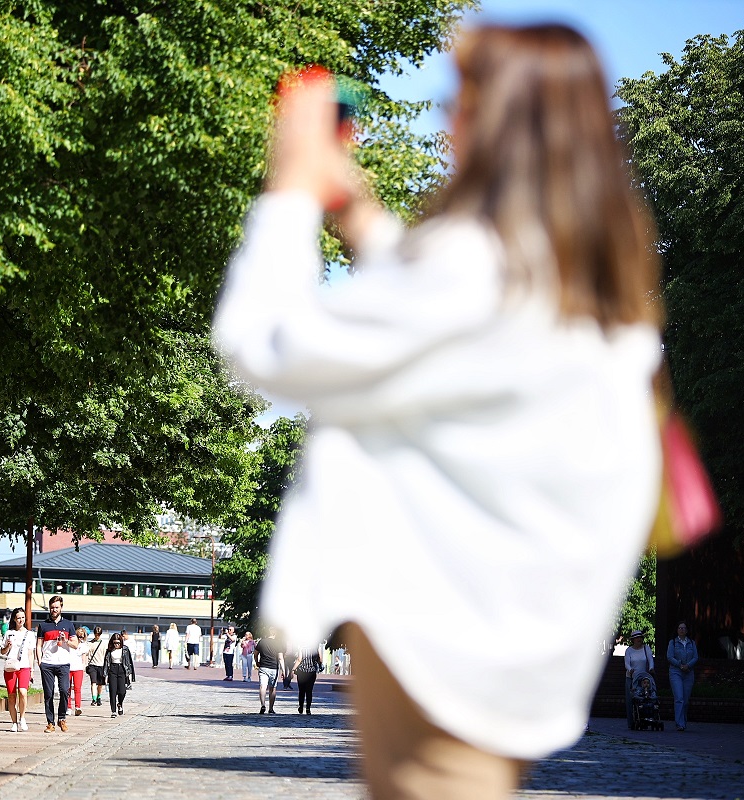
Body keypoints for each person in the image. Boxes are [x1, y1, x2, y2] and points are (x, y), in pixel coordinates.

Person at [212, 22, 664, 800]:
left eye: (463, 100)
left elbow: (261, 344)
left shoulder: (471, 265)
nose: (444, 119)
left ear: (506, 121)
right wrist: (357, 216)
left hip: (439, 648)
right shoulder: (578, 276)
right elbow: (448, 322)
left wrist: (287, 192)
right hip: (505, 649)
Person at [34, 595, 78, 733]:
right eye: (52, 607)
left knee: (65, 690)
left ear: (61, 608)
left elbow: (76, 644)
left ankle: (62, 718)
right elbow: (39, 645)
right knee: (49, 693)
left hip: (63, 663)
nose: (54, 610)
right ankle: (50, 722)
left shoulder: (68, 625)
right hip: (47, 663)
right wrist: (40, 661)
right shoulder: (43, 625)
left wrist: (66, 641)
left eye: (57, 607)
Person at [1, 607, 34, 732]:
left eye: (22, 618)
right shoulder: (9, 633)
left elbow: (31, 653)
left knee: (23, 692)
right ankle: (14, 722)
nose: (21, 620)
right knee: (11, 695)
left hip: (24, 666)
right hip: (10, 667)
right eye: (18, 618)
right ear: (14, 619)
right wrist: (7, 646)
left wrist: (32, 670)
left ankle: (23, 717)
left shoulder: (30, 634)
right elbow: (2, 652)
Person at [667, 622, 699, 731]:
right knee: (679, 698)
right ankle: (679, 723)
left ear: (687, 630)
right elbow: (670, 657)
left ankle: (683, 721)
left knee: (685, 700)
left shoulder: (691, 643)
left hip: (689, 673)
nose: (681, 630)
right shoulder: (673, 642)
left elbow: (695, 657)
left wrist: (688, 665)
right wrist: (680, 665)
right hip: (676, 672)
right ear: (677, 630)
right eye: (680, 628)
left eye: (684, 628)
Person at [623, 631, 654, 729]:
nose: (639, 640)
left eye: (640, 637)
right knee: (630, 699)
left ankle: (644, 719)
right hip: (631, 677)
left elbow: (650, 659)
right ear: (633, 640)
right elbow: (626, 663)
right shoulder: (629, 650)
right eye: (636, 638)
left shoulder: (646, 648)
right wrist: (630, 669)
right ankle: (631, 723)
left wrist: (651, 668)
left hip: (643, 678)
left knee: (644, 698)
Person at [105, 632, 136, 718]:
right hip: (113, 670)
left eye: (118, 643)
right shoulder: (109, 650)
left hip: (122, 670)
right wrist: (105, 674)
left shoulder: (125, 649)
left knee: (122, 691)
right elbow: (106, 663)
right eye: (115, 643)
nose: (116, 645)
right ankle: (113, 711)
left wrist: (131, 674)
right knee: (113, 691)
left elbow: (129, 662)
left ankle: (120, 703)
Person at [254, 627, 285, 715]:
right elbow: (280, 658)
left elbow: (255, 654)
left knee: (262, 686)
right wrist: (283, 670)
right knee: (272, 688)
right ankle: (271, 708)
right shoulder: (278, 643)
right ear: (275, 633)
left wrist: (257, 662)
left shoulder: (262, 642)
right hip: (274, 668)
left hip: (263, 667)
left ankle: (263, 704)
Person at [293, 643, 324, 715]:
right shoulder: (315, 648)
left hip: (302, 672)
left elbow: (299, 659)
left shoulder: (301, 648)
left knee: (301, 691)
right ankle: (308, 708)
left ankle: (301, 706)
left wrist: (293, 669)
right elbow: (320, 659)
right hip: (311, 672)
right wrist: (318, 664)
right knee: (309, 691)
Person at [86, 626, 110, 706]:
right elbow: (86, 654)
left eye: (98, 635)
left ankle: (99, 697)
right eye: (96, 634)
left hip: (101, 665)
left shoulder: (104, 644)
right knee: (93, 682)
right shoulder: (89, 643)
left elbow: (107, 655)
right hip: (92, 665)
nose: (97, 636)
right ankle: (94, 698)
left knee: (100, 684)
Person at [69, 626, 90, 716]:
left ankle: (78, 707)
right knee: (67, 688)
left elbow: (84, 659)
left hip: (78, 669)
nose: (80, 638)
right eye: (78, 636)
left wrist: (84, 667)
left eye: (82, 636)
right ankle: (68, 707)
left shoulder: (83, 646)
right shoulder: (70, 644)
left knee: (77, 688)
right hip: (68, 667)